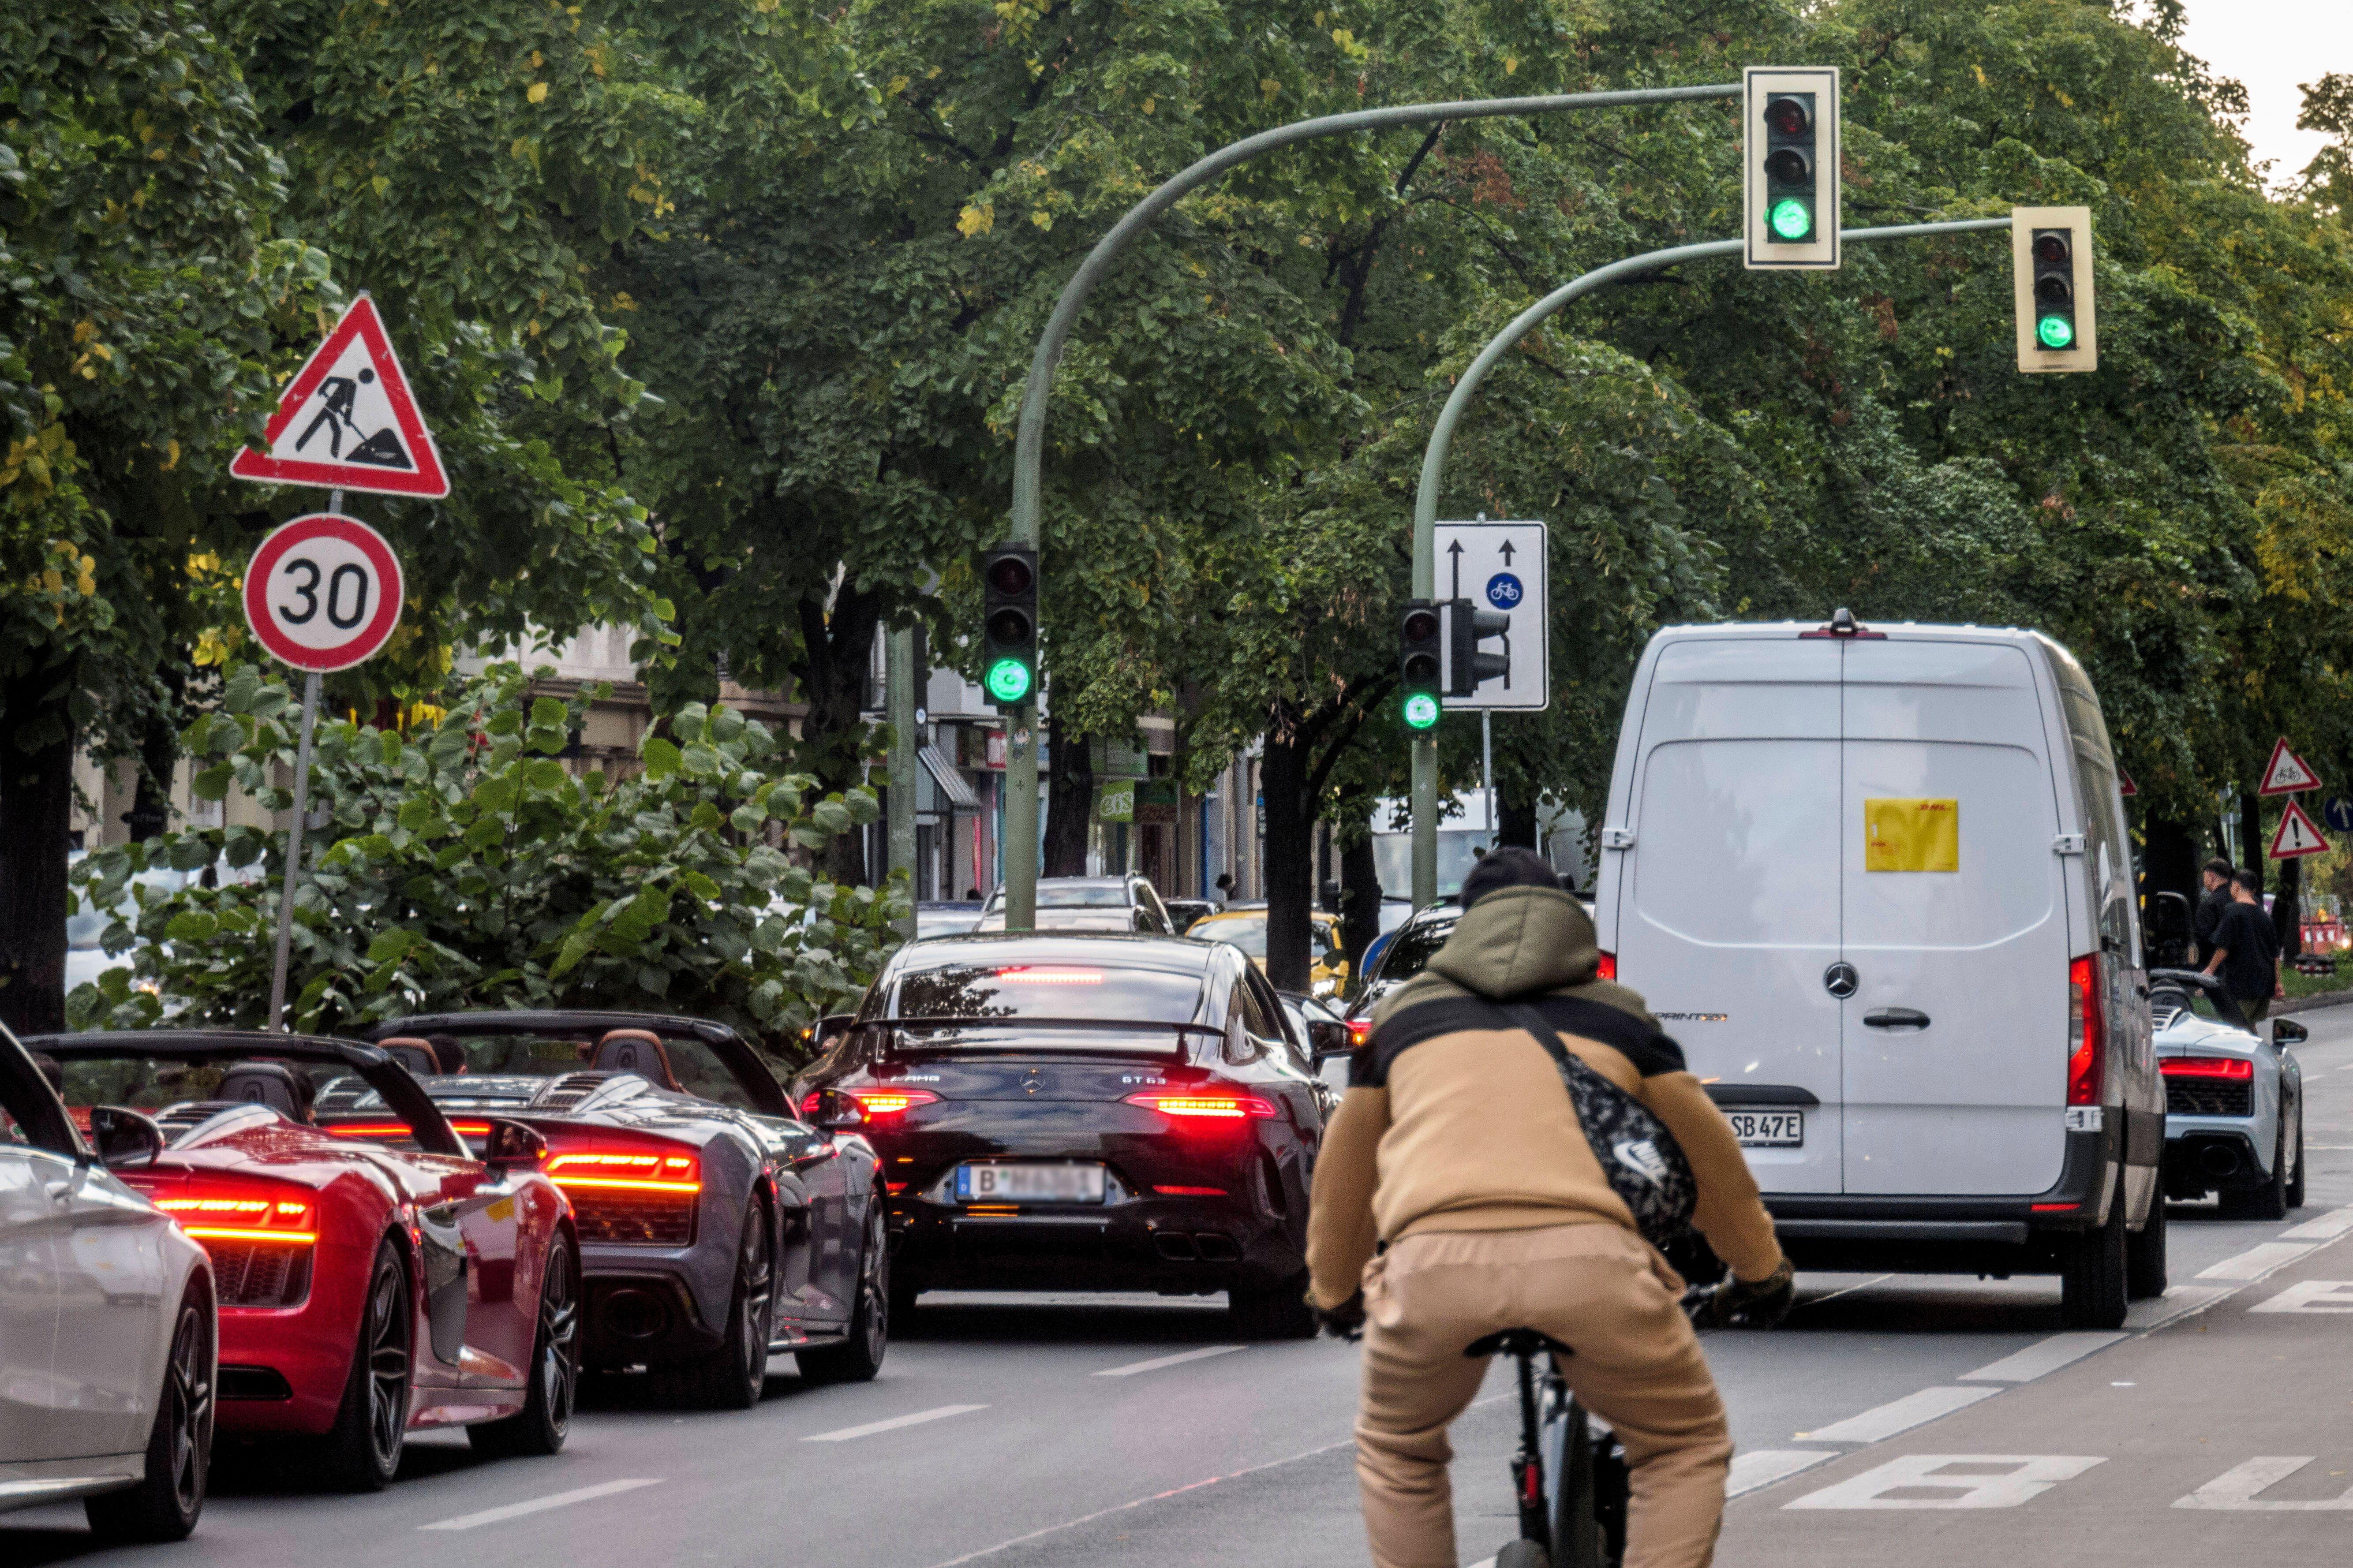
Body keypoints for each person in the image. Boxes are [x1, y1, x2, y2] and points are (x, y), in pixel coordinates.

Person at [1306, 847, 1792, 1568]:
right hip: (1593, 1270)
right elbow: (1710, 1159)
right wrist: (1760, 1270)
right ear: (1570, 925)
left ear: (1468, 928)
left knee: (1399, 1449)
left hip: (1433, 1271)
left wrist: (1336, 1292)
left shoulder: (1405, 1021)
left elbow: (1345, 1179)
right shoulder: (1621, 1020)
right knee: (1681, 1445)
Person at [2204, 868, 2284, 1022]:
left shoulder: (2232, 911)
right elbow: (2275, 955)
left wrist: (2210, 970)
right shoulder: (2264, 916)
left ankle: (2261, 1047)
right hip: (2265, 985)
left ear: (2236, 886)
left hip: (2243, 985)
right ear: (2253, 891)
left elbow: (2224, 947)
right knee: (2248, 1026)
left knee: (2235, 1027)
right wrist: (2278, 983)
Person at [2193, 857, 2234, 963]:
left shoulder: (2209, 904)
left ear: (2211, 877)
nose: (2204, 880)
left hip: (2216, 965)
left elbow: (2202, 939)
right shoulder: (2238, 899)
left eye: (2205, 876)